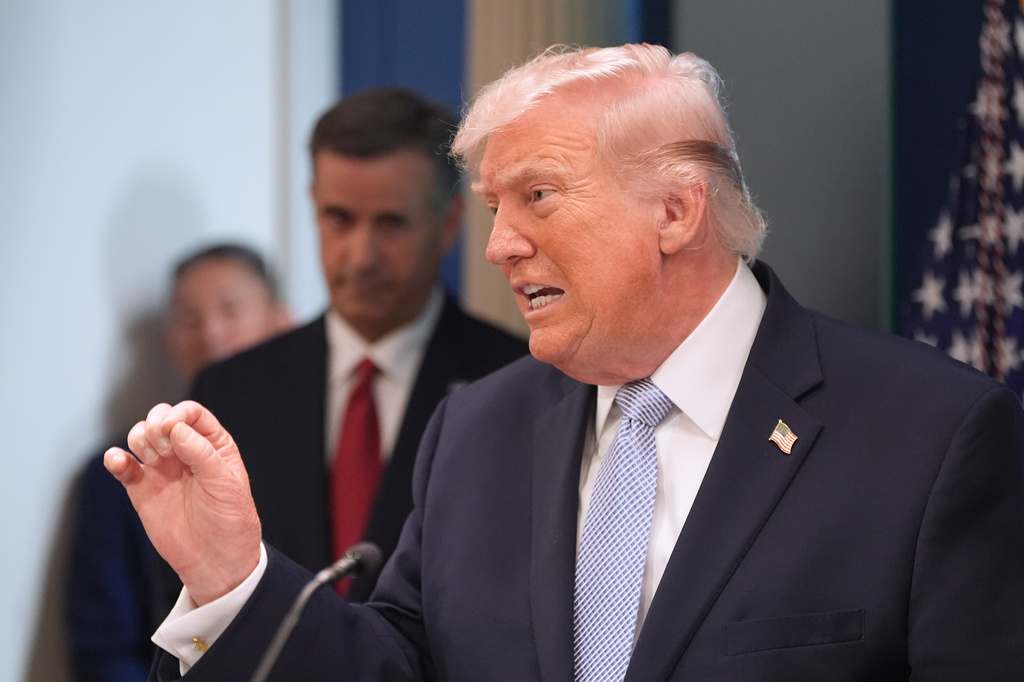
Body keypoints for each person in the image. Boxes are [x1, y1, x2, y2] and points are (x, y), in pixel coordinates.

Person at [107, 44, 1024, 681]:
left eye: (538, 196)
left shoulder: (930, 437)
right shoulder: (476, 430)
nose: (500, 245)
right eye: (494, 207)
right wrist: (232, 579)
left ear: (676, 210)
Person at [180, 87, 529, 602]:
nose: (361, 256)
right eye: (339, 219)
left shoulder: (520, 383)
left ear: (449, 223)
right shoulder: (230, 391)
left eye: (391, 224)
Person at [65, 243, 291, 682]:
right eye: (190, 318)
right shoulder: (122, 471)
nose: (210, 333)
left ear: (283, 323)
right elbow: (104, 650)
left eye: (231, 310)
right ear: (169, 341)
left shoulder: (317, 449)